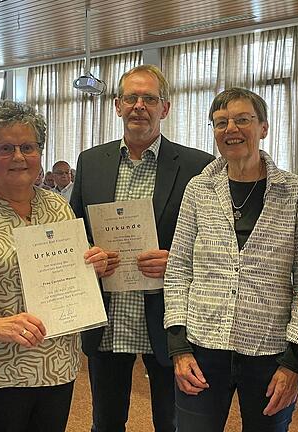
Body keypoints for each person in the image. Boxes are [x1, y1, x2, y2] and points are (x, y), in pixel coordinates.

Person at [0, 100, 111, 432]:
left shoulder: (58, 206)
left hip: (56, 367)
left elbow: (73, 271)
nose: (19, 157)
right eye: (5, 148)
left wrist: (93, 262)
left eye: (28, 147)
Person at [163, 88, 298, 431]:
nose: (230, 128)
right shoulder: (198, 188)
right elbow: (177, 270)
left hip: (270, 352)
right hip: (201, 348)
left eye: (242, 119)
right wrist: (178, 347)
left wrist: (295, 363)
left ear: (263, 127)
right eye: (221, 122)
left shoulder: (297, 192)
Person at [70, 64, 214, 432]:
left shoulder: (198, 166)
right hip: (108, 314)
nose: (139, 106)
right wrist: (90, 254)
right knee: (105, 421)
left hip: (167, 318)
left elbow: (216, 243)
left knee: (170, 422)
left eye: (149, 98)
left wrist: (178, 259)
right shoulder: (91, 161)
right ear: (117, 105)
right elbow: (75, 230)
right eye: (131, 97)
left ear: (164, 108)